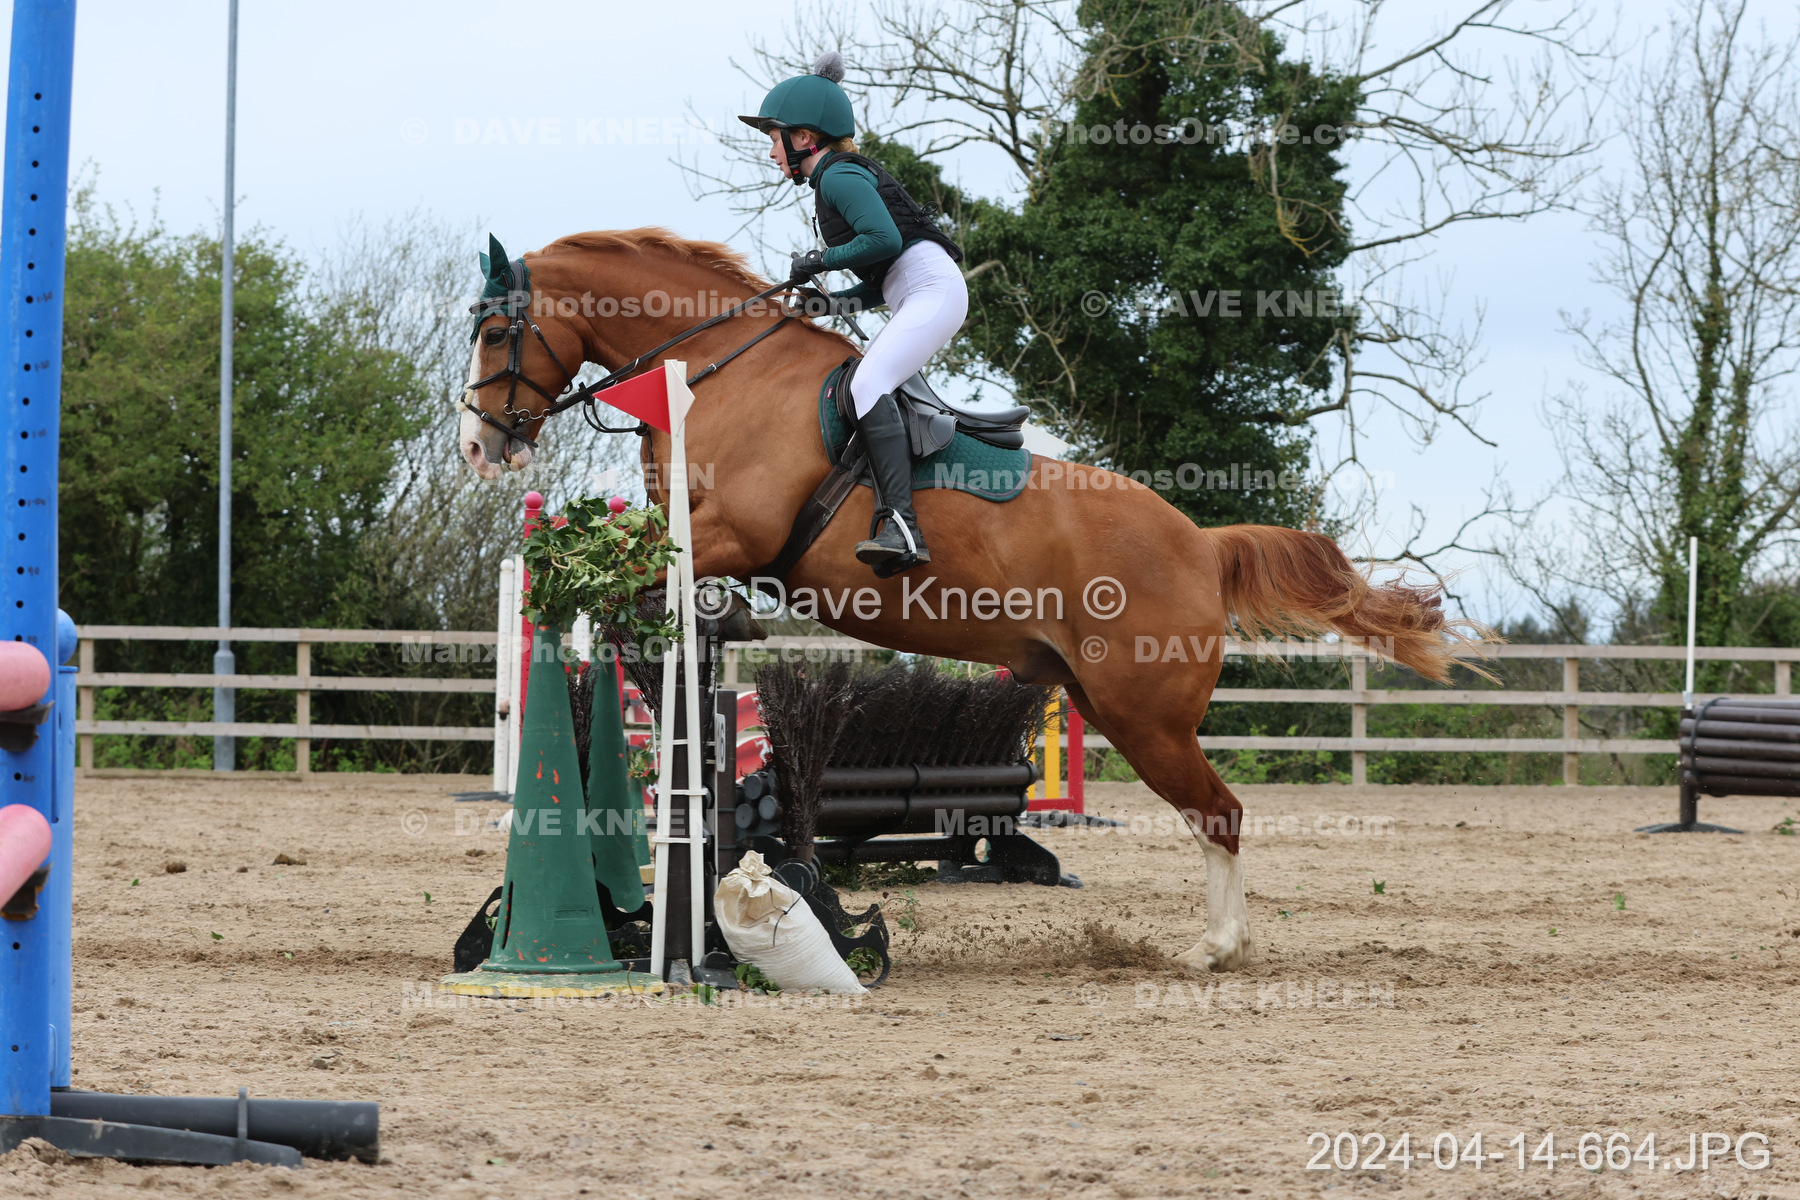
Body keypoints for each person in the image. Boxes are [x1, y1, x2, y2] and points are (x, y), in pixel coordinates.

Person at [739, 52, 967, 576]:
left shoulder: (837, 177)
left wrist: (820, 260)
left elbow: (883, 240)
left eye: (773, 139)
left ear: (803, 138)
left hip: (933, 291)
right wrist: (831, 303)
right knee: (865, 382)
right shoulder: (835, 178)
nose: (770, 152)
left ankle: (902, 525)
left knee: (867, 383)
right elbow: (883, 280)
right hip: (917, 289)